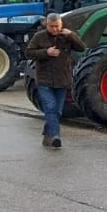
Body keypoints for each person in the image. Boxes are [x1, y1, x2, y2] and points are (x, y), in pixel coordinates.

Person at [25, 12, 86, 148]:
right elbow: (28, 52)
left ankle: (47, 135)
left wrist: (71, 35)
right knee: (50, 107)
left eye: (57, 26)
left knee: (58, 111)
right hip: (44, 80)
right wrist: (46, 52)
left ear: (61, 24)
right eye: (51, 26)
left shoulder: (67, 36)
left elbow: (82, 47)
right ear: (47, 25)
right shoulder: (39, 37)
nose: (55, 29)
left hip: (62, 79)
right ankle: (55, 137)